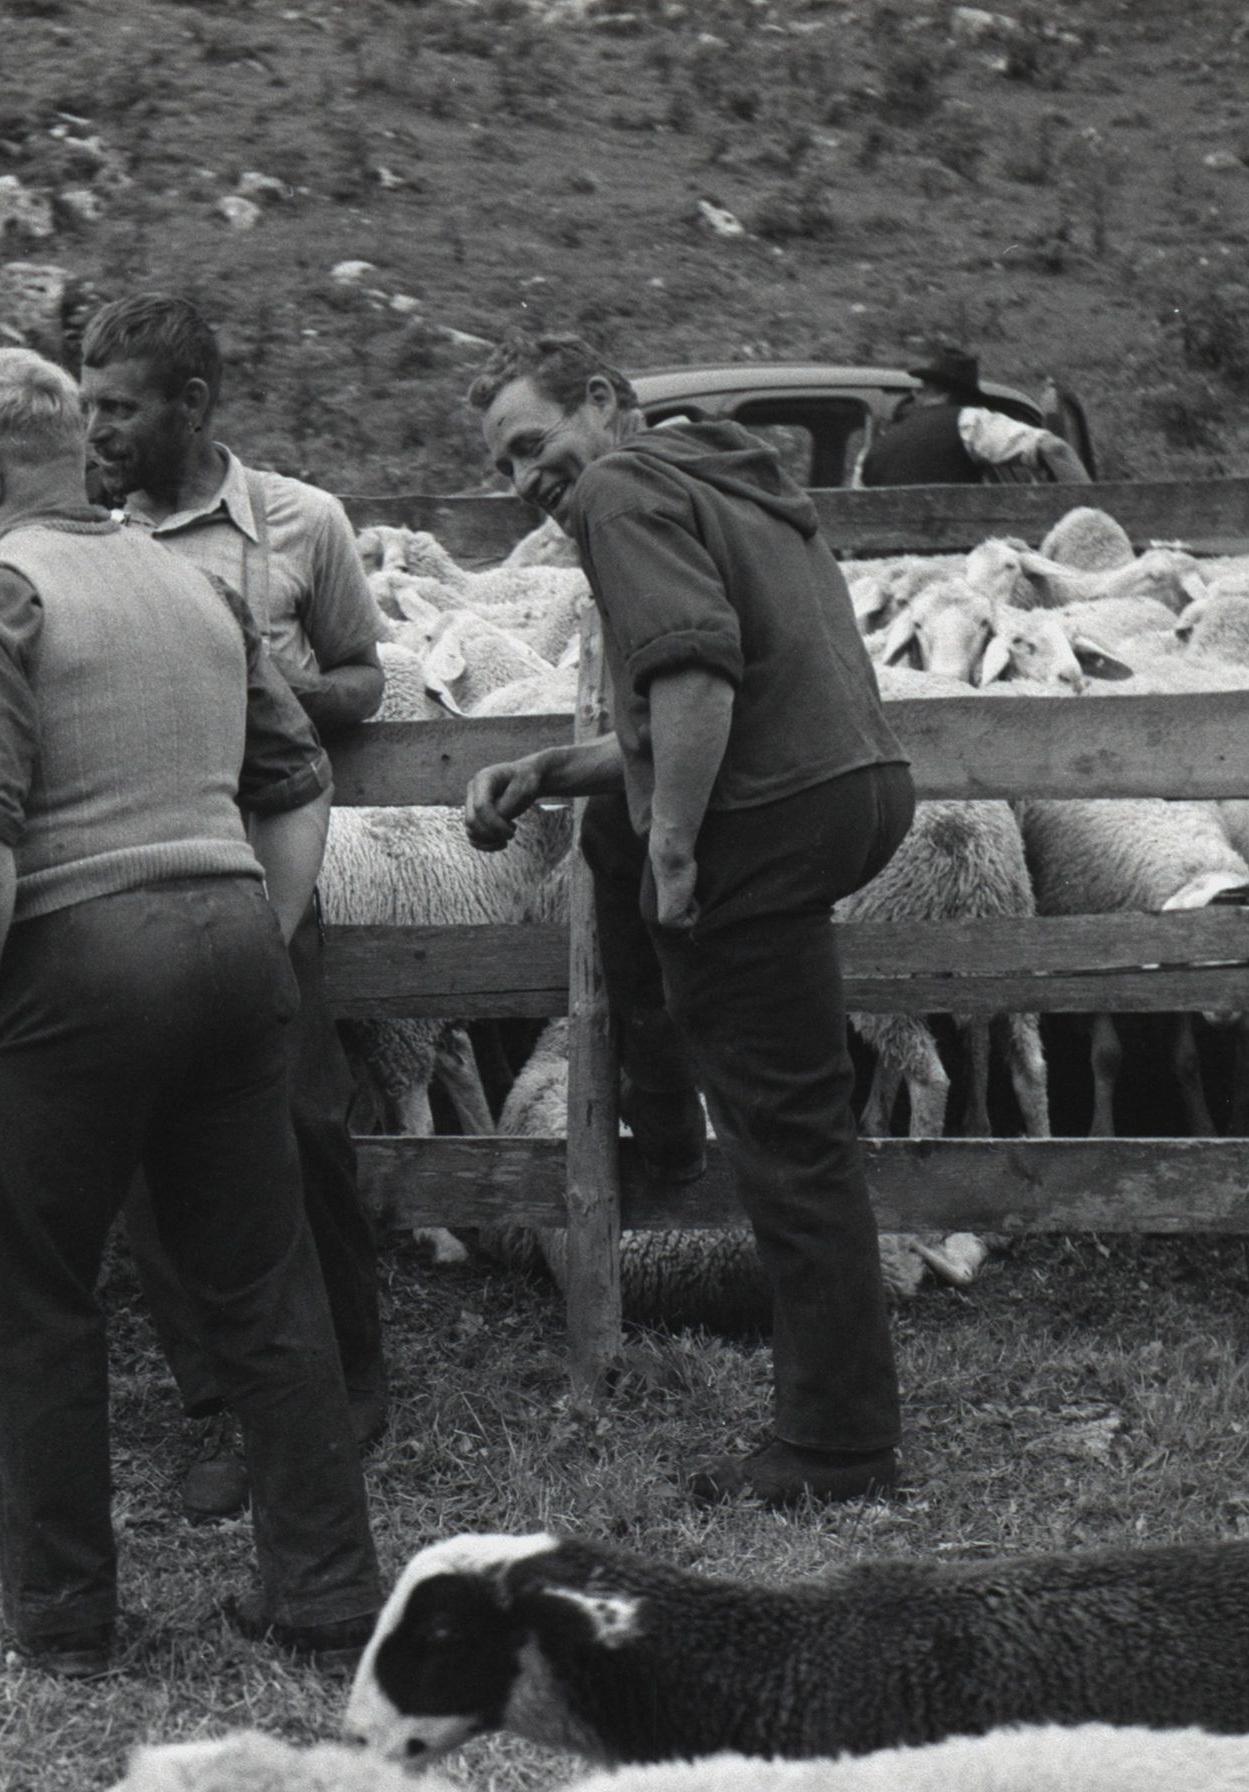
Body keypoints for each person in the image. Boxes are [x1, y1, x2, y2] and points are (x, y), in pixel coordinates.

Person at [0, 346, 382, 1677]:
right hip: (228, 943)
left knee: (37, 1296)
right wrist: (257, 931)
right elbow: (294, 785)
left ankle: (66, 1618)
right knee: (263, 1282)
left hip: (73, 960)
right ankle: (326, 1587)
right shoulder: (195, 586)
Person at [460, 333, 915, 1509]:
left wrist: (672, 846)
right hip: (850, 789)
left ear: (600, 401)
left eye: (530, 444)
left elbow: (696, 680)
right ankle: (667, 1105)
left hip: (763, 819)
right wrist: (550, 769)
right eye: (502, 465)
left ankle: (835, 1445)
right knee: (790, 1102)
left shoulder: (617, 489)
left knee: (789, 1139)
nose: (522, 480)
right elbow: (686, 710)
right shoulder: (724, 476)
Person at [79, 291, 388, 1525]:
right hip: (127, 877)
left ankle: (350, 1382)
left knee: (301, 1125)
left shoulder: (303, 523)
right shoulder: (81, 534)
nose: (96, 430)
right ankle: (220, 1399)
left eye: (119, 408)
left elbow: (364, 677)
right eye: (86, 405)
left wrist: (259, 692)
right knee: (152, 1149)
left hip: (268, 872)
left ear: (192, 405)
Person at [857, 344, 1090, 488]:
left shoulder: (872, 449)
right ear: (961, 395)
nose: (914, 394)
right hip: (954, 553)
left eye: (920, 389)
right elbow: (1054, 448)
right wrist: (1094, 515)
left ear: (929, 392)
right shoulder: (969, 422)